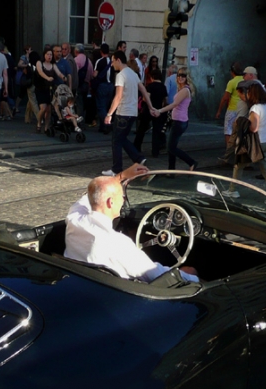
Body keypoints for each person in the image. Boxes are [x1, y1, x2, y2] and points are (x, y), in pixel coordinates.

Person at [65, 164, 199, 282]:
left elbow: (91, 194)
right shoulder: (118, 244)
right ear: (110, 202)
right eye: (122, 196)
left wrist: (122, 176)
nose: (124, 200)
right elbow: (156, 275)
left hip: (81, 283)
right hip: (117, 296)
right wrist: (191, 275)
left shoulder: (74, 218)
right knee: (190, 271)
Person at [103, 51, 157, 176]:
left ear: (118, 60)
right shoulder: (133, 74)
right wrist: (151, 107)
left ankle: (117, 168)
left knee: (116, 140)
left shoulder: (121, 75)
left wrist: (109, 113)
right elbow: (144, 90)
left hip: (123, 112)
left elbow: (118, 96)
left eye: (112, 61)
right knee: (121, 138)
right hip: (133, 113)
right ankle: (138, 158)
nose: (111, 64)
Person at [230, 82, 266, 201]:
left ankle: (233, 190)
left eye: (249, 92)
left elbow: (253, 128)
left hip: (256, 143)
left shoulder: (255, 108)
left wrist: (241, 122)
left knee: (239, 165)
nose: (247, 94)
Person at [154, 68, 197, 171]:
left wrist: (159, 111)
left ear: (187, 78)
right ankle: (171, 170)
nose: (180, 77)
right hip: (177, 120)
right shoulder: (181, 89)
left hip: (179, 121)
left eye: (183, 75)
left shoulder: (185, 90)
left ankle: (191, 162)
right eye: (178, 75)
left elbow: (174, 104)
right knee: (171, 147)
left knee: (171, 148)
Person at [134, 68, 168, 158]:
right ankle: (155, 151)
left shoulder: (149, 86)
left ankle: (137, 147)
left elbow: (145, 98)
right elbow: (165, 100)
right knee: (156, 132)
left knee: (141, 130)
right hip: (158, 111)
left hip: (148, 110)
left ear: (152, 77)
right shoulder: (163, 87)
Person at [35, 48, 65, 133]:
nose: (49, 56)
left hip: (49, 89)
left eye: (51, 55)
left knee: (48, 110)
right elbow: (40, 72)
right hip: (41, 88)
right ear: (44, 55)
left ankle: (46, 127)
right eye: (48, 54)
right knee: (43, 108)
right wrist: (47, 78)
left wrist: (63, 77)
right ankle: (39, 123)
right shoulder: (39, 63)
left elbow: (58, 73)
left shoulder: (53, 65)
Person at [215, 63, 244, 149]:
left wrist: (219, 111)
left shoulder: (232, 82)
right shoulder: (245, 80)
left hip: (232, 109)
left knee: (228, 131)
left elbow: (225, 98)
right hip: (243, 110)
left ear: (232, 72)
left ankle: (229, 151)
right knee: (240, 131)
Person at [93, 44, 114, 133]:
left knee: (101, 107)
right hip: (111, 85)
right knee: (106, 106)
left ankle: (106, 124)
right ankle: (102, 127)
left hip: (102, 86)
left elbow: (95, 74)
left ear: (101, 52)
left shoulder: (99, 61)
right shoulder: (112, 61)